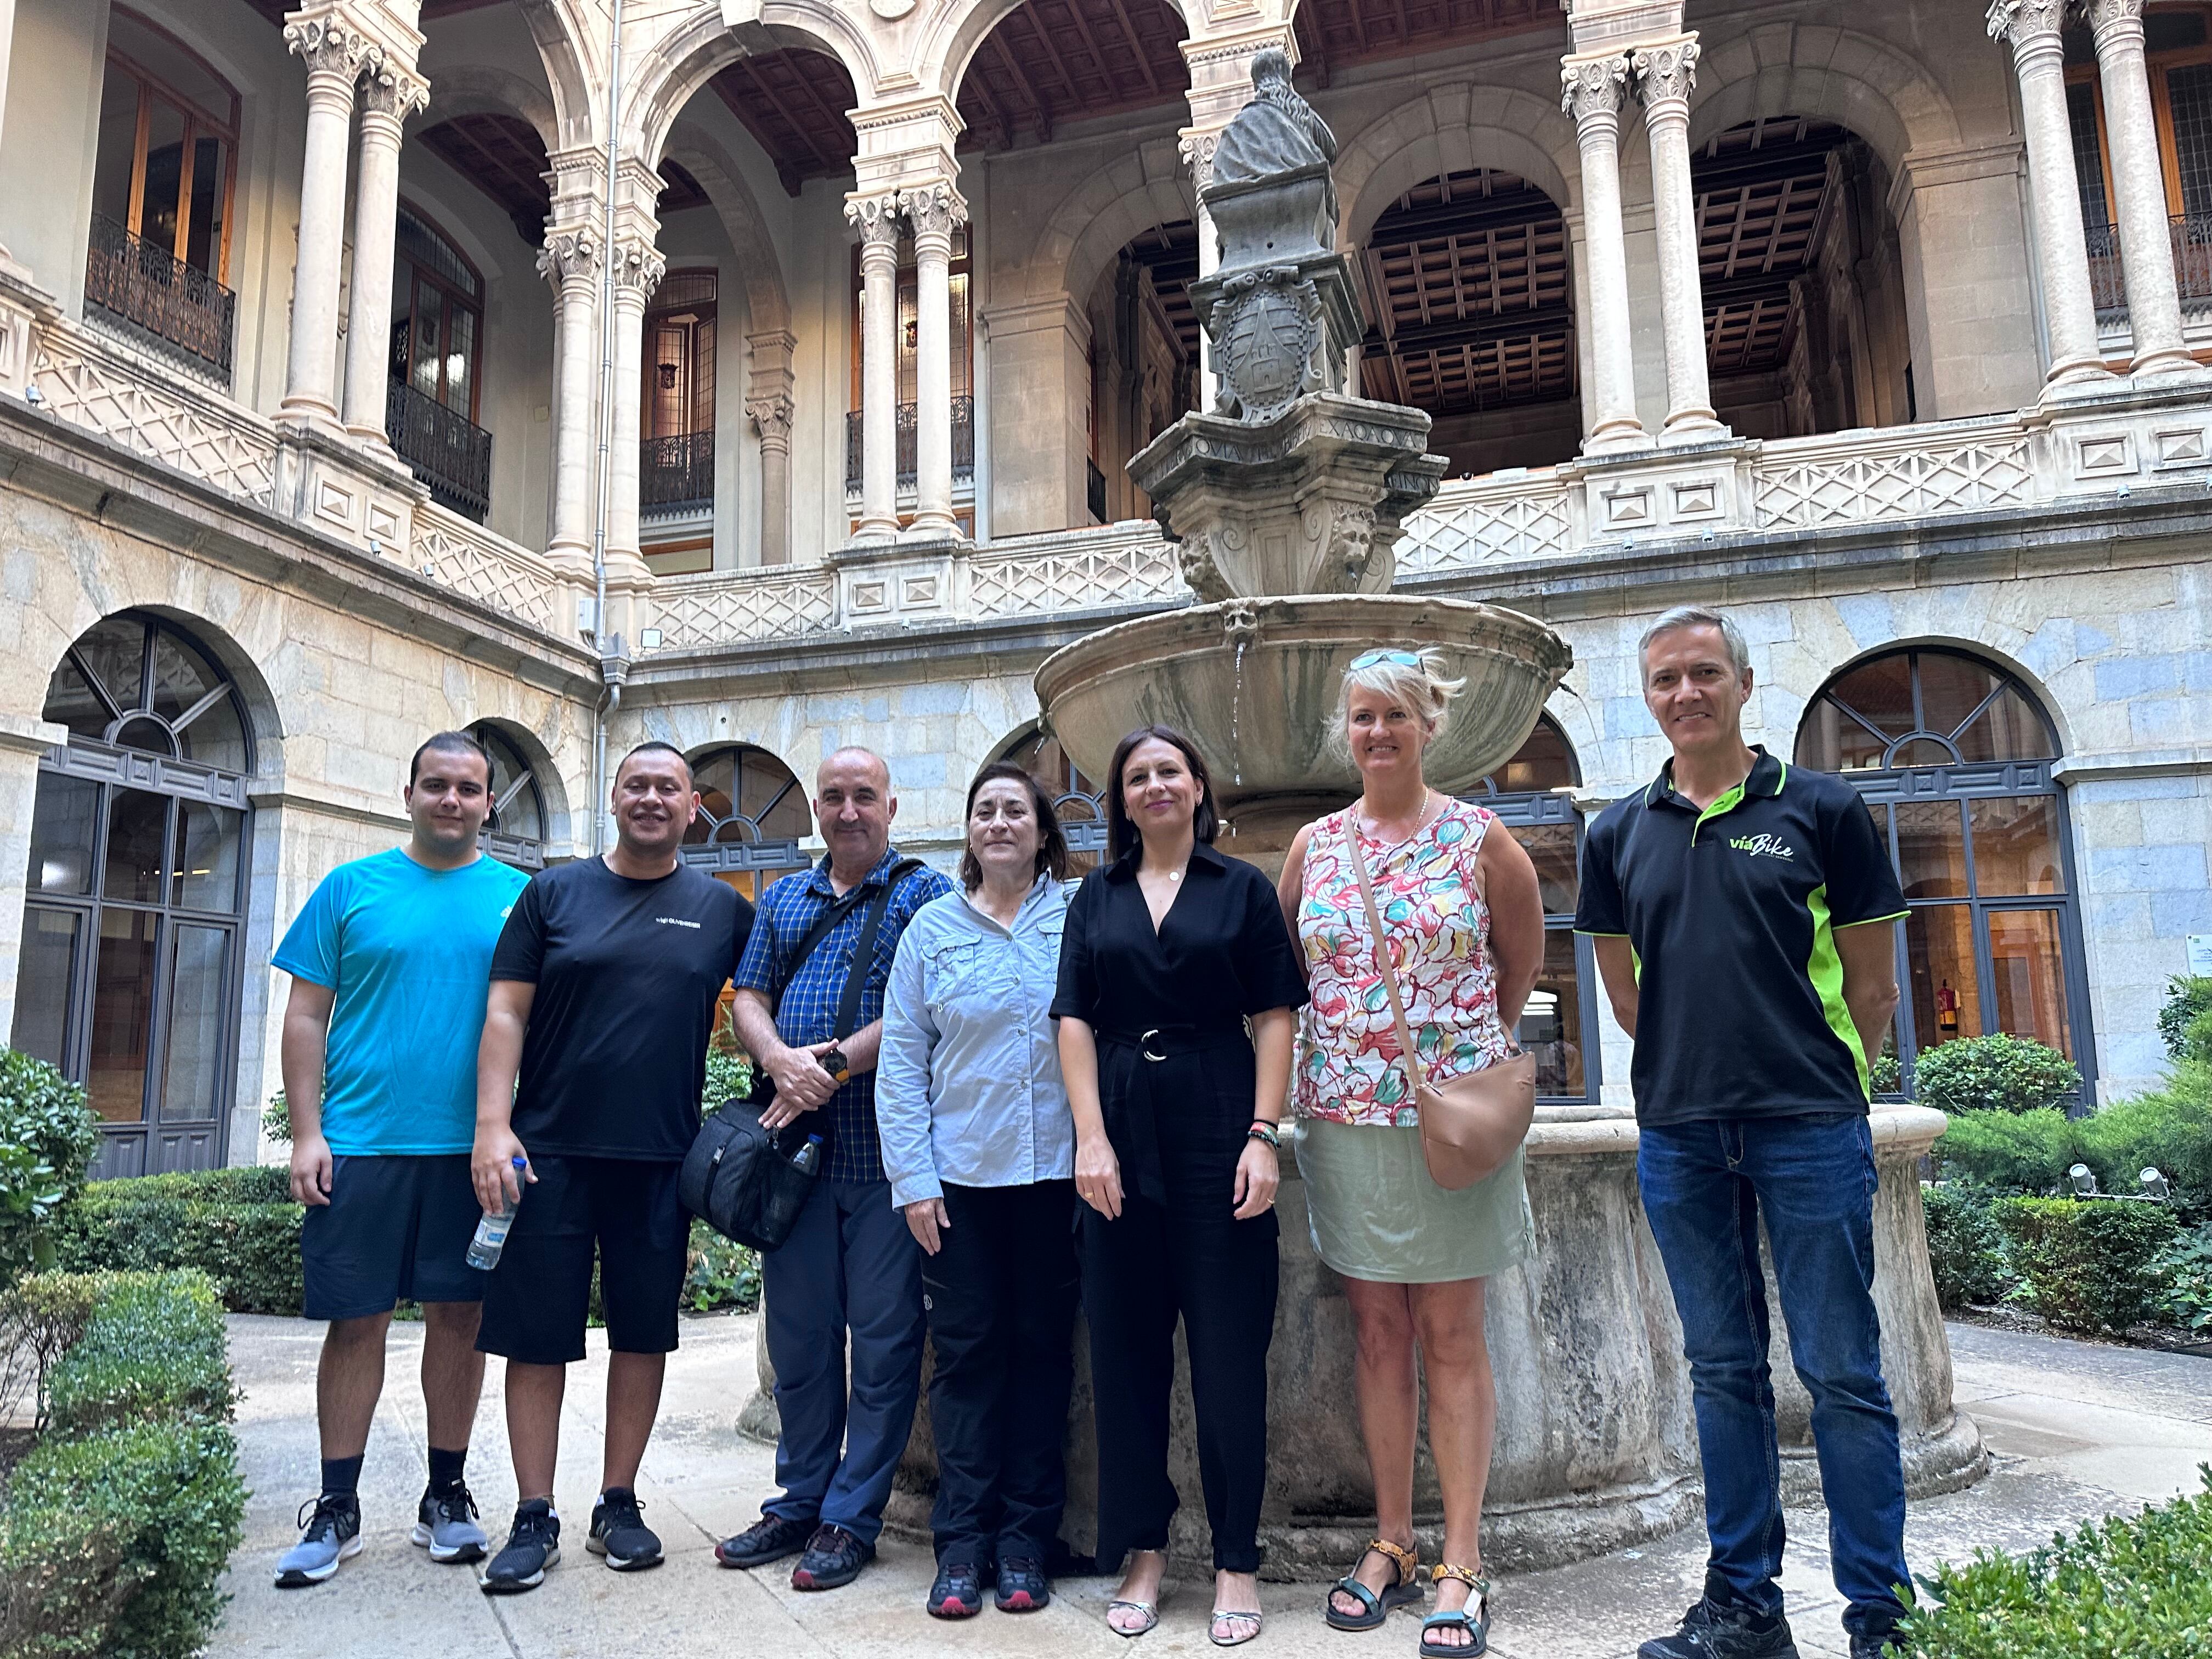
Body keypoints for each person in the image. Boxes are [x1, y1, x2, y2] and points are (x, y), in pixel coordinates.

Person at [1574, 606, 1911, 1659]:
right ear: (1650, 695)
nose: (1687, 693)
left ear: (1744, 684)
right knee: (1723, 1371)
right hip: (1680, 1129)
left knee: (1843, 1371)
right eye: (1667, 678)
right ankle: (1745, 1610)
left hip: (1807, 1122)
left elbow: (1872, 986)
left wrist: (1816, 1074)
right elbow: (1627, 995)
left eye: (1705, 673)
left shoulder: (1823, 808)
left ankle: (1879, 1618)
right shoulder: (1617, 832)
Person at [1276, 648, 1545, 1656]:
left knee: (1452, 1334)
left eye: (1395, 714)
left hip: (1450, 1120)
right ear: (1345, 732)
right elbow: (1295, 970)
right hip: (1344, 1118)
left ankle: (1463, 1561)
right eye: (1361, 717)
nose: (1377, 732)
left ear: (1431, 725)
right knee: (1379, 1332)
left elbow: (1519, 960)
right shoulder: (1316, 844)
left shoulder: (1481, 838)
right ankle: (1390, 1539)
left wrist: (1451, 1062)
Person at [470, 742, 753, 1594]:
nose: (653, 799)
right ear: (615, 798)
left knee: (644, 1334)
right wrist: (492, 1125)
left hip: (661, 1161)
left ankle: (618, 1503)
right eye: (638, 785)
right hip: (546, 1152)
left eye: (669, 788)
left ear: (691, 808)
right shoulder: (552, 893)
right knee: (535, 1338)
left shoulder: (720, 910)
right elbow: (505, 1013)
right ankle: (532, 1514)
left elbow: (763, 1008)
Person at [1053, 724, 1308, 1647]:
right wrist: (1091, 1139)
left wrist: (1262, 1136)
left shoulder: (1239, 890)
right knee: (1126, 1354)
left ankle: (1237, 1559)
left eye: (1171, 771)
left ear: (1199, 788)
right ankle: (1145, 1550)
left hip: (1215, 1111)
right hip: (1119, 1120)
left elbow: (1274, 1014)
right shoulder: (1098, 895)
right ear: (1121, 801)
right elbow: (1074, 1019)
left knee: (1230, 1350)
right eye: (1137, 777)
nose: (1155, 786)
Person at [272, 731, 529, 1588]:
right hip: (362, 1146)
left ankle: (446, 1496)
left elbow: (534, 1025)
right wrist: (308, 1135)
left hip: (473, 1154)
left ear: (489, 801)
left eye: (468, 788)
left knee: (461, 1321)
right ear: (408, 792)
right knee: (358, 1322)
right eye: (436, 786)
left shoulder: (519, 899)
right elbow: (306, 1018)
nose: (451, 801)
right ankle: (336, 1507)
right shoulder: (352, 888)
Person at [716, 747, 953, 1592]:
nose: (849, 811)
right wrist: (783, 1060)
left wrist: (833, 1066)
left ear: (892, 807)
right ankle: (798, 1499)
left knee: (886, 1346)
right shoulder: (783, 898)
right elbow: (749, 994)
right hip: (796, 1163)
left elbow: (922, 1007)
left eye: (865, 797)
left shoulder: (924, 895)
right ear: (817, 809)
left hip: (885, 1159)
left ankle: (852, 1518)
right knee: (801, 1342)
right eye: (834, 798)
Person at [877, 761, 1079, 1620]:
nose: (999, 823)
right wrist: (914, 1181)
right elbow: (901, 1064)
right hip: (959, 1183)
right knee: (963, 1362)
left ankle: (1025, 1542)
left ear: (1041, 831)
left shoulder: (1078, 917)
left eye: (1015, 811)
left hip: (1061, 1181)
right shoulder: (930, 931)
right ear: (968, 831)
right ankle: (961, 1548)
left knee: (1042, 1356)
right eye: (984, 811)